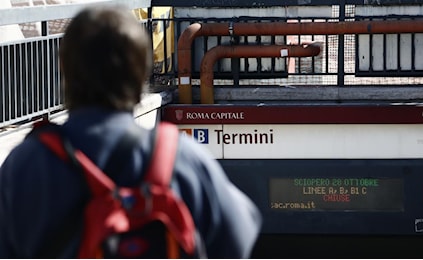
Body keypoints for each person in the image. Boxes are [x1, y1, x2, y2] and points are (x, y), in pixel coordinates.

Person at [0, 5, 262, 258]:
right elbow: (240, 236)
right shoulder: (182, 160)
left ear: (65, 73)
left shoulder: (25, 165)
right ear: (140, 77)